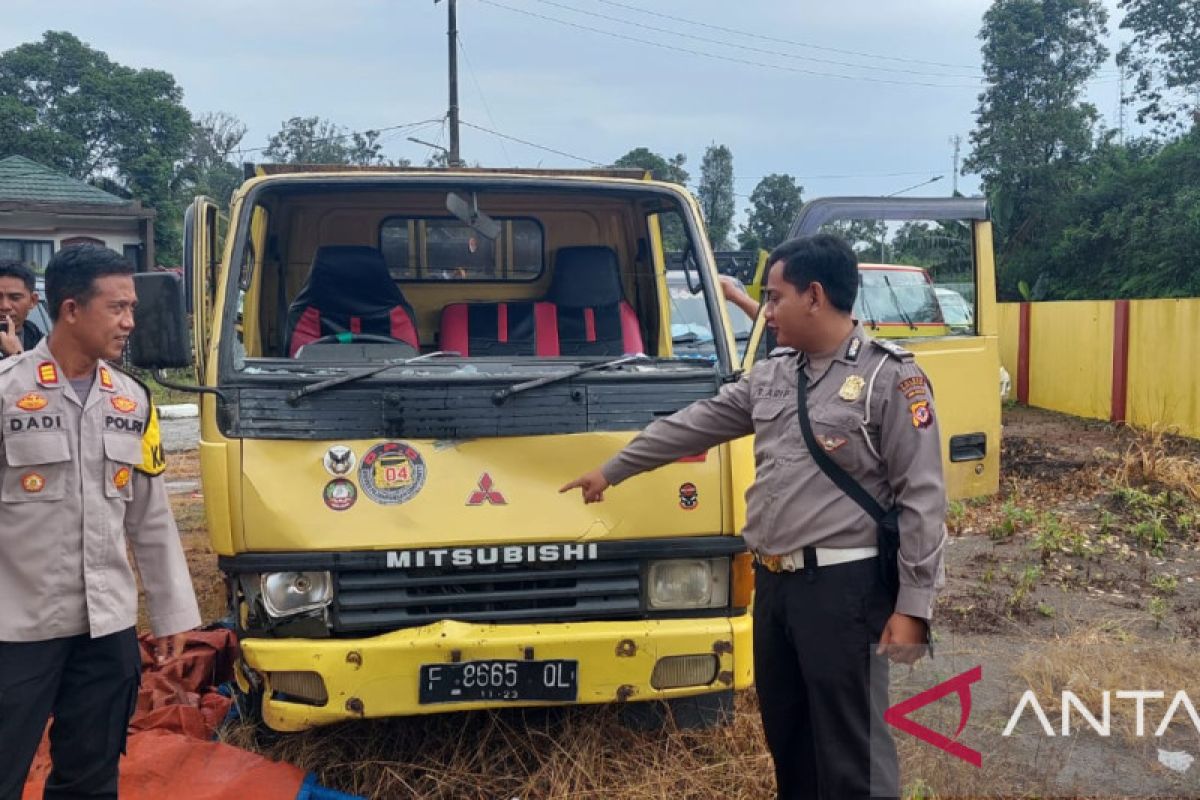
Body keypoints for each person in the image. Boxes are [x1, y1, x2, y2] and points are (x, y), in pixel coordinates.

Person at [561, 234, 946, 800]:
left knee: (852, 751)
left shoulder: (891, 378)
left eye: (774, 297)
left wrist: (914, 608)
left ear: (814, 296)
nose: (765, 311)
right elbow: (694, 423)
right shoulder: (774, 374)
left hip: (845, 589)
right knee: (788, 739)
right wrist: (614, 469)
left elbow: (924, 499)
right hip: (775, 587)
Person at [0, 245, 201, 800]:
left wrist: (172, 612)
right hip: (17, 626)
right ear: (70, 310)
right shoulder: (7, 392)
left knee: (91, 778)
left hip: (105, 626)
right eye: (116, 308)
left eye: (132, 308)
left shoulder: (132, 400)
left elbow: (151, 518)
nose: (130, 322)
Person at [0, 259, 45, 358]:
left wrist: (17, 355)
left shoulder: (44, 346)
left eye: (15, 298)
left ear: (33, 301)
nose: (5, 306)